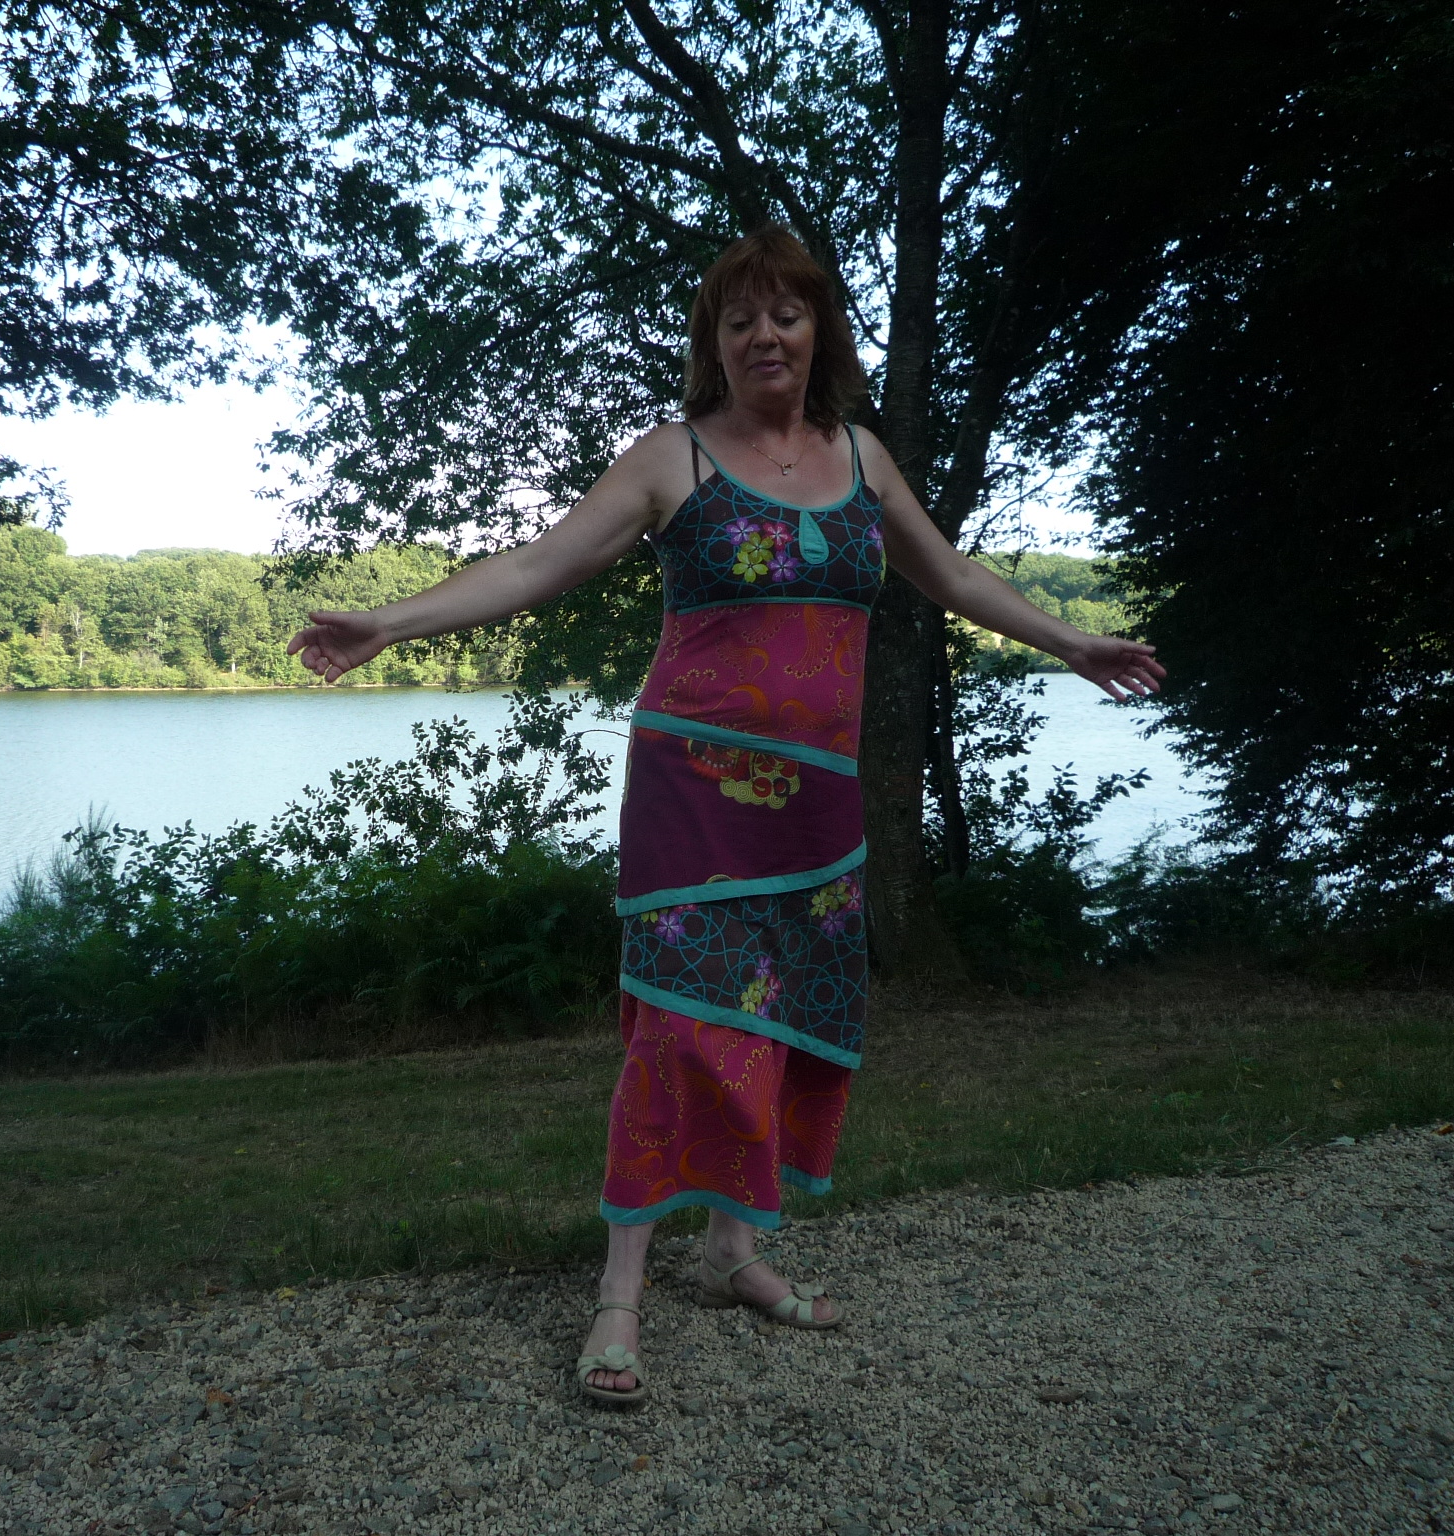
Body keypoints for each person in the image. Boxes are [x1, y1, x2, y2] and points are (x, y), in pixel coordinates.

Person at [287, 227, 1163, 1407]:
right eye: (737, 318)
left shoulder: (862, 457)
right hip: (692, 795)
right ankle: (618, 1290)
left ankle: (731, 1250)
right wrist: (389, 622)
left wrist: (1070, 643)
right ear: (712, 341)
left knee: (785, 1016)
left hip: (819, 802)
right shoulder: (672, 458)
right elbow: (536, 566)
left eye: (784, 315)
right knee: (679, 1027)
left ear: (817, 332)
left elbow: (952, 577)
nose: (763, 335)